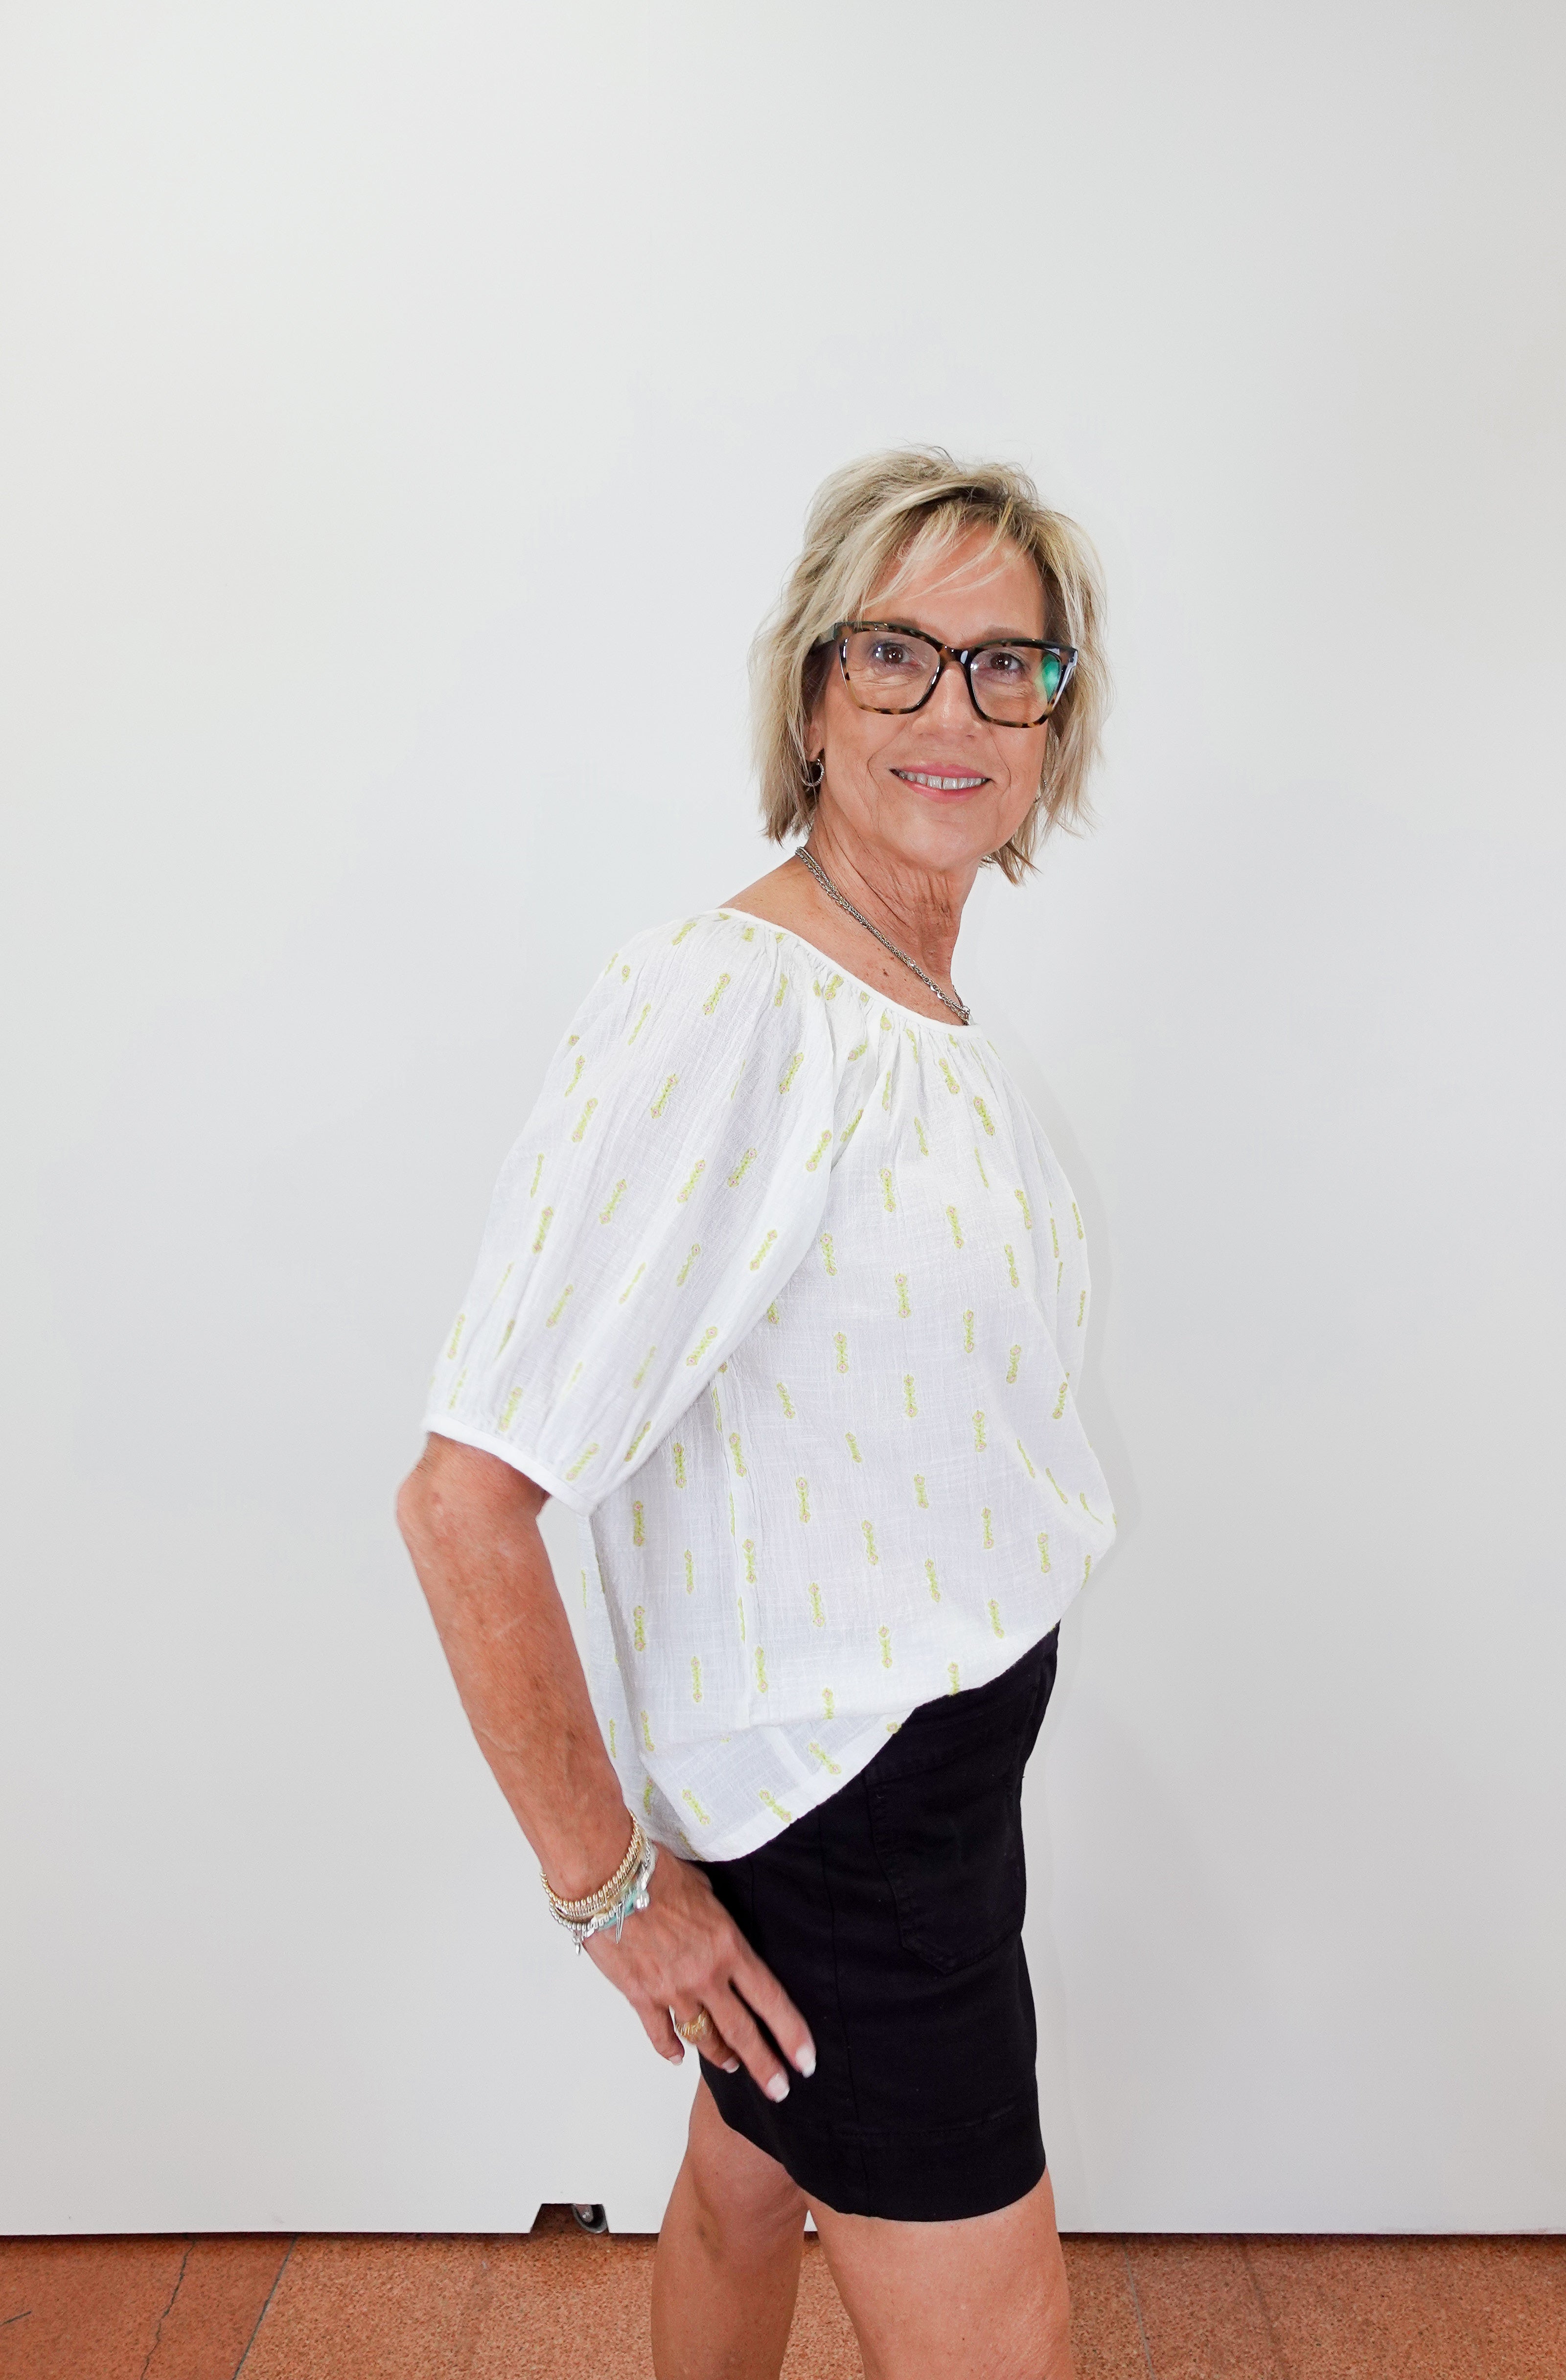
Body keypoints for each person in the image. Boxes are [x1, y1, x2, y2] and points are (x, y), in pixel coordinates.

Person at [397, 448, 1116, 2380]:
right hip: (848, 1812)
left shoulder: (913, 1005)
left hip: (912, 1771)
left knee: (743, 2163)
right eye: (898, 655)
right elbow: (466, 1499)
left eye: (1007, 669)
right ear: (812, 697)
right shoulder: (729, 1008)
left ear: (1059, 718)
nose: (954, 710)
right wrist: (609, 1885)